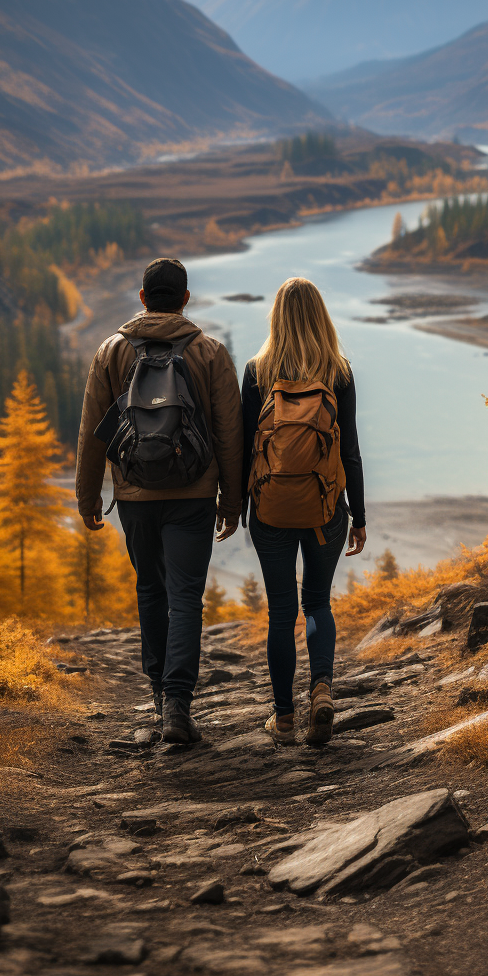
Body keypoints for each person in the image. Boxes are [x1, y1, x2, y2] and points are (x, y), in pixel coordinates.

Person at [76, 257, 243, 744]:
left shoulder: (111, 351)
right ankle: (177, 706)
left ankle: (157, 694)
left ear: (144, 297)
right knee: (187, 597)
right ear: (185, 299)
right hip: (193, 494)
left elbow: (92, 433)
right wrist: (231, 502)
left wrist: (89, 496)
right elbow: (230, 434)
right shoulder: (209, 351)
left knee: (150, 589)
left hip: (135, 493)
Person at [242, 277, 366, 746]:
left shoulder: (258, 371)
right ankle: (321, 690)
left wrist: (233, 508)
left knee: (280, 611)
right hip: (325, 510)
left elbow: (242, 450)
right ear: (321, 316)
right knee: (316, 602)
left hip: (270, 510)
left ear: (276, 316)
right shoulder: (339, 371)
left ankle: (284, 716)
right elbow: (350, 452)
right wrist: (359, 515)